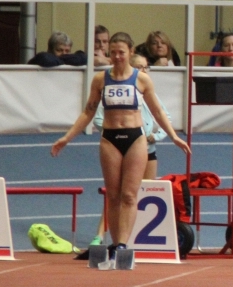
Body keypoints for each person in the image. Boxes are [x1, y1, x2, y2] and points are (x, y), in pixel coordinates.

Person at [52, 32, 189, 264]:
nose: (116, 57)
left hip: (136, 139)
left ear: (131, 52)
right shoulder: (100, 79)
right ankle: (116, 244)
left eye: (121, 53)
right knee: (113, 196)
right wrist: (67, 138)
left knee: (129, 195)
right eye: (113, 53)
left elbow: (157, 111)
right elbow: (88, 112)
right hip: (110, 139)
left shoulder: (141, 80)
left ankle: (123, 244)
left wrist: (174, 136)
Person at [87, 53, 167, 248]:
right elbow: (96, 117)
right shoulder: (112, 88)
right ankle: (102, 235)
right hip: (117, 144)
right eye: (139, 67)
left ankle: (134, 239)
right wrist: (116, 129)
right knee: (115, 195)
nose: (143, 70)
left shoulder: (148, 89)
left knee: (136, 194)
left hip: (145, 149)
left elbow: (164, 116)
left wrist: (156, 136)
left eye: (146, 67)